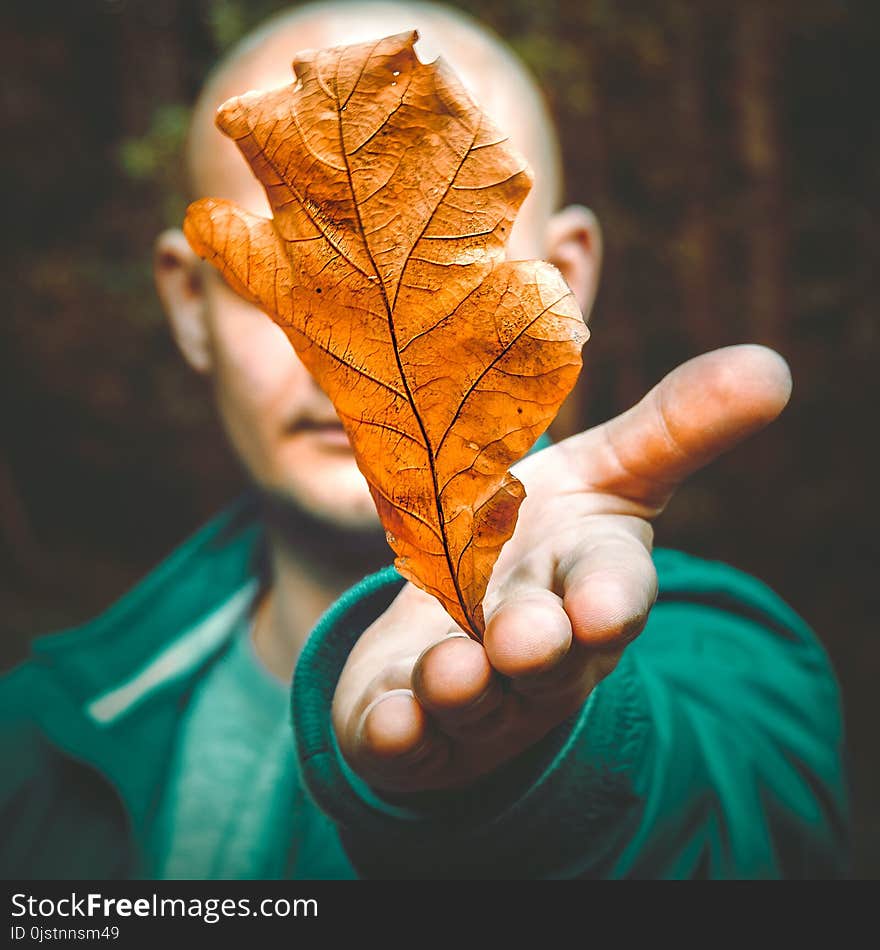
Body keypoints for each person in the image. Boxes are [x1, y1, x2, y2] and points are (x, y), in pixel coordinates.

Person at [1, 1, 849, 879]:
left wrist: (541, 763)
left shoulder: (735, 663)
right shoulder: (39, 736)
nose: (339, 369)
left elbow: (721, 836)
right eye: (287, 286)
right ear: (188, 306)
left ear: (565, 278)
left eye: (456, 278)